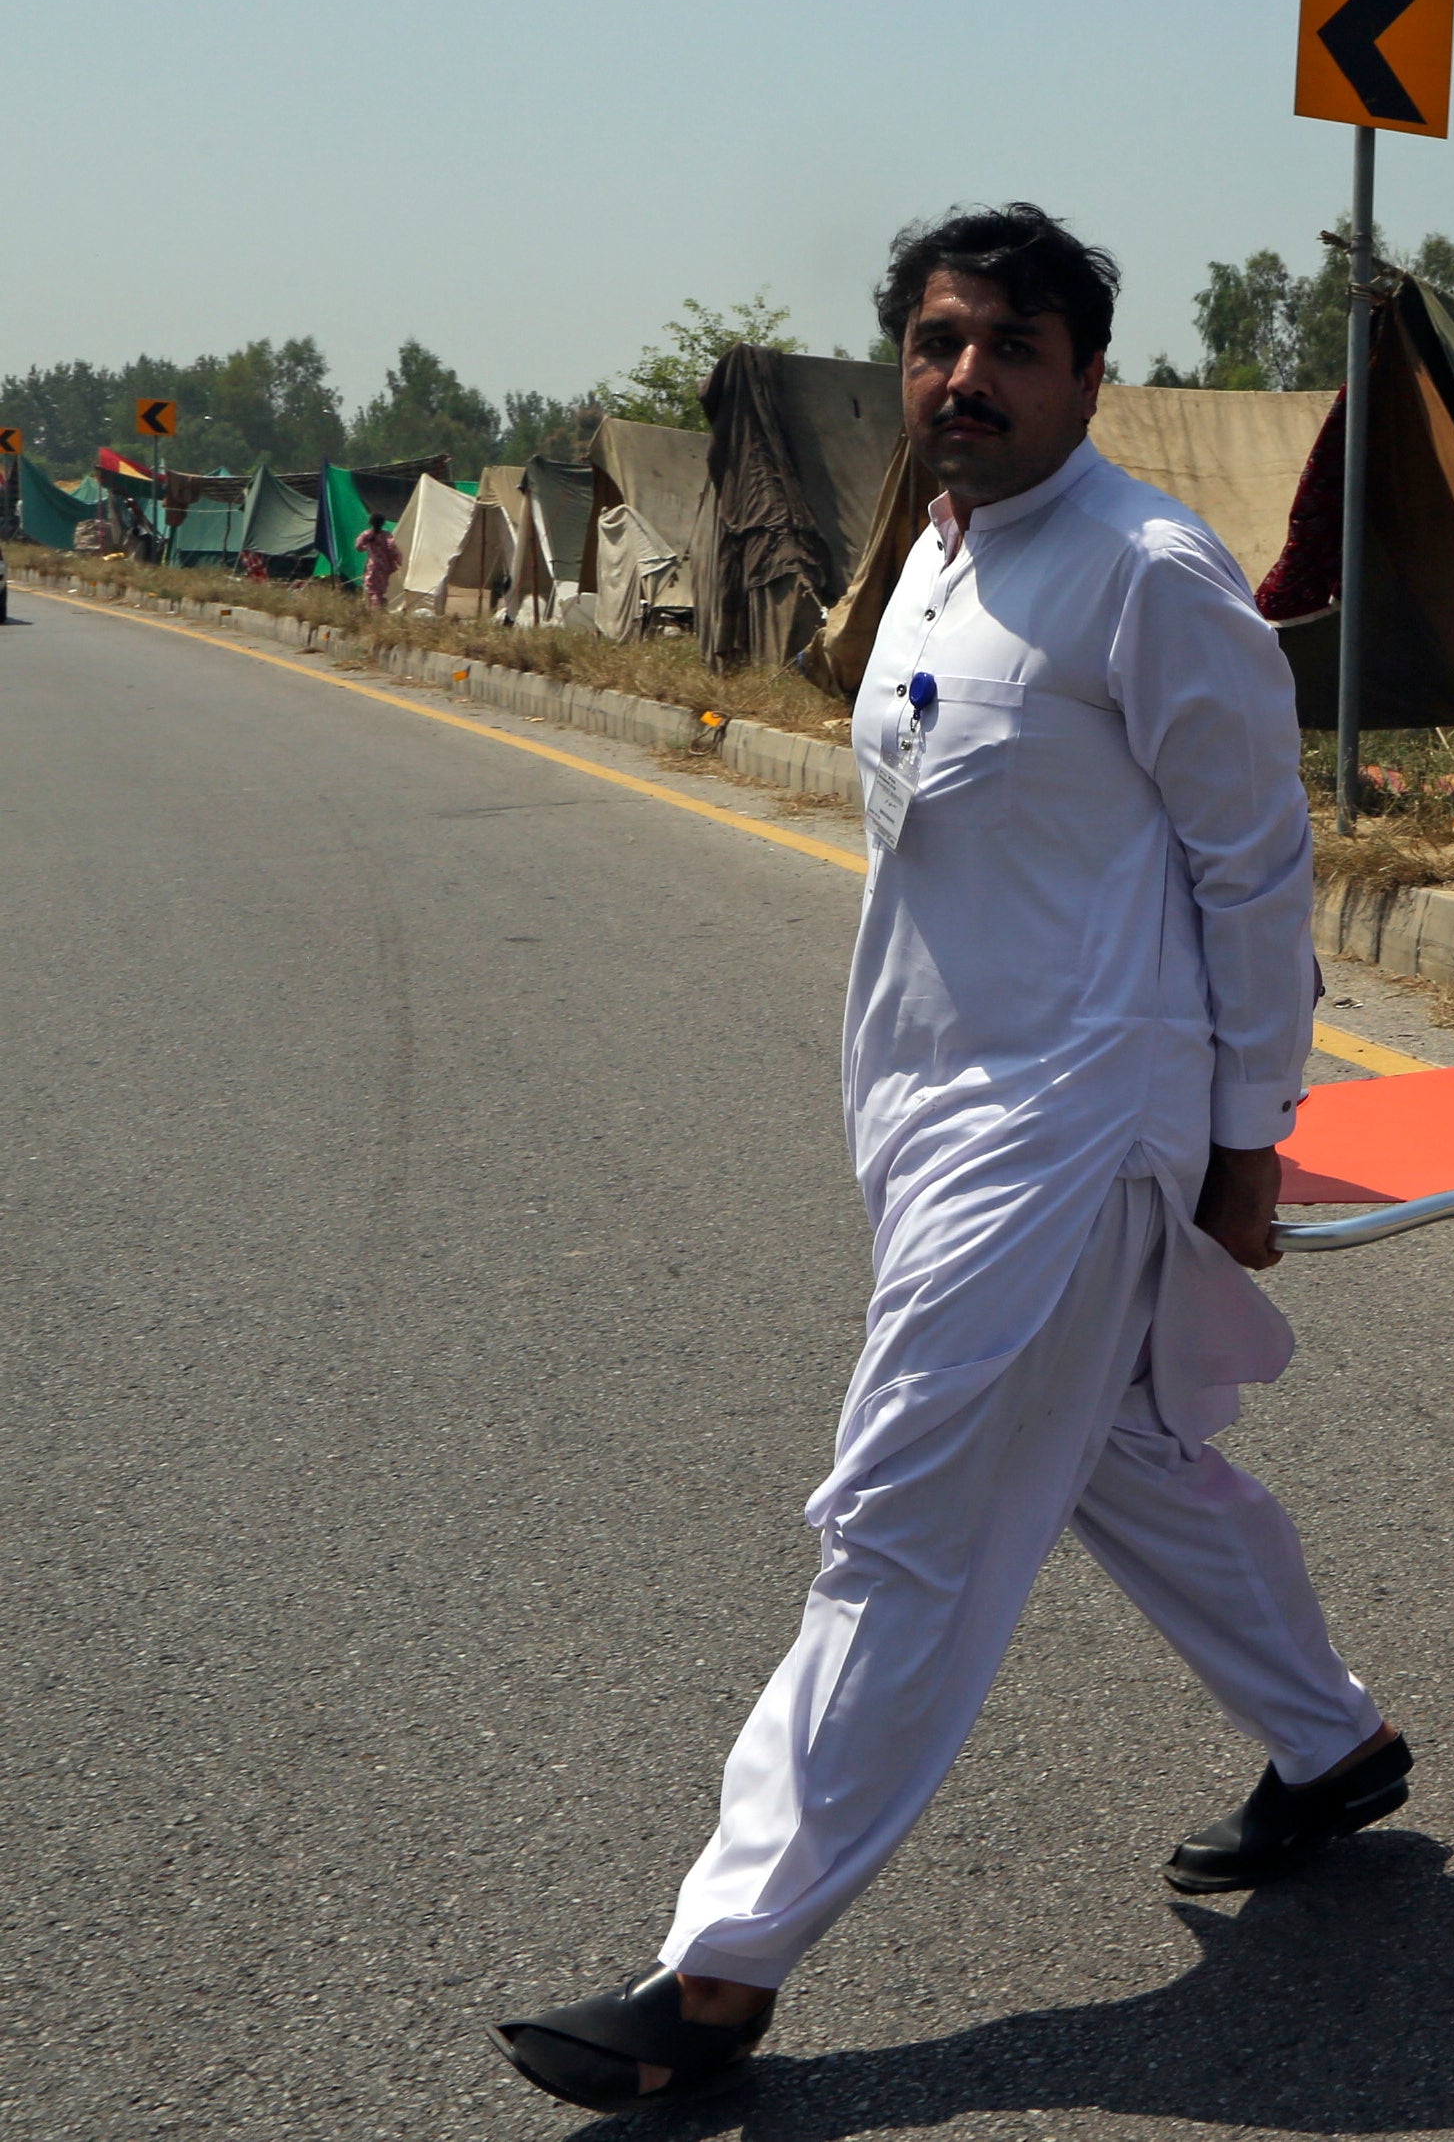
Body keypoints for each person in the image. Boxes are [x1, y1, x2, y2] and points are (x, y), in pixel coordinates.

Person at [493, 206, 1400, 2114]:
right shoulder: (938, 550)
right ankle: (1330, 1746)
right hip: (935, 1122)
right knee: (1119, 1459)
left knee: (896, 1517)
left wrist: (1248, 1147)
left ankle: (719, 1971)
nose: (962, 377)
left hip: (1069, 1137)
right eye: (935, 341)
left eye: (1008, 345)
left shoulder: (1152, 576)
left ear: (1084, 373)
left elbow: (1256, 877)